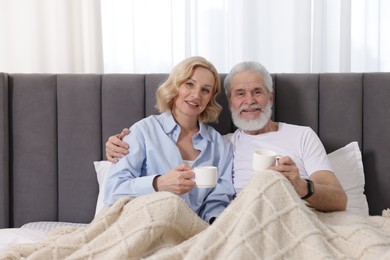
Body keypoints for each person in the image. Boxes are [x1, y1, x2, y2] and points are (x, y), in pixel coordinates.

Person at [106, 61, 347, 212]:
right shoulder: (226, 143)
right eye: (240, 93)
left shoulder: (300, 136)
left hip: (294, 215)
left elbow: (339, 200)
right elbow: (113, 189)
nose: (249, 101)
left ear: (270, 97)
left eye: (257, 92)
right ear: (230, 102)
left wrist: (301, 186)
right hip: (165, 217)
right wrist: (156, 182)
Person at [103, 56, 235, 224]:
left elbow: (217, 201)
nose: (196, 95)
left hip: (192, 233)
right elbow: (112, 191)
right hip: (146, 224)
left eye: (205, 90)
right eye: (189, 84)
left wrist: (215, 226)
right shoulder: (143, 131)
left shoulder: (219, 145)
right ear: (175, 86)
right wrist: (159, 184)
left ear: (210, 98)